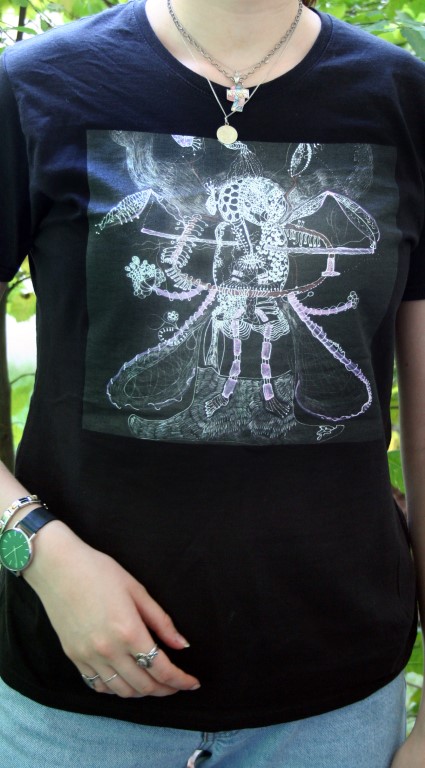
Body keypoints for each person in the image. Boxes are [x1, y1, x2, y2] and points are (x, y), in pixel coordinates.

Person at [0, 0, 424, 765]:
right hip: (75, 695)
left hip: (338, 701)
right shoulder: (34, 86)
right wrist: (34, 547)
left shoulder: (403, 97)